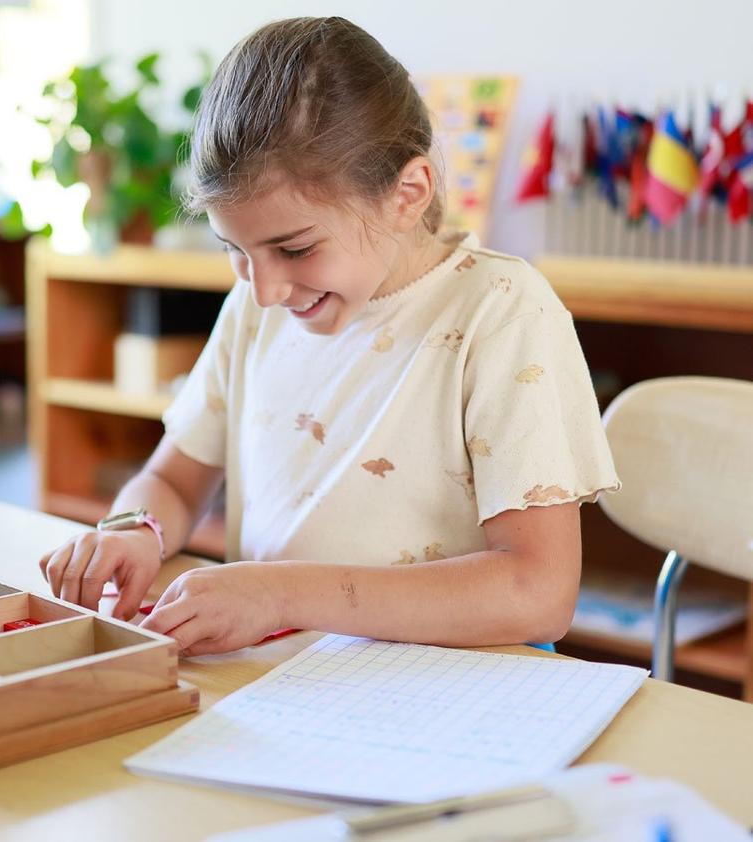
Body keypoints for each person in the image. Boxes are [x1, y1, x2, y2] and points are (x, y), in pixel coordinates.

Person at [39, 16, 619, 656]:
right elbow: (174, 484)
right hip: (283, 683)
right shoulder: (256, 305)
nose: (263, 289)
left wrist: (279, 593)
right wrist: (131, 529)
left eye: (293, 247)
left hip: (452, 700)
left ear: (407, 194)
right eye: (235, 249)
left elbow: (537, 594)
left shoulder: (502, 313)